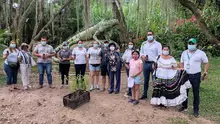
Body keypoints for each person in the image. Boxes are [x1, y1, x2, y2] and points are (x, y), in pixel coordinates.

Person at [178, 38, 209, 117]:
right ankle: (184, 106)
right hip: (186, 75)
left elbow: (206, 62)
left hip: (195, 75)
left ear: (196, 44)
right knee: (184, 91)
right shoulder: (184, 53)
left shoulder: (201, 53)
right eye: (189, 43)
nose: (191, 45)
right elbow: (181, 63)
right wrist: (182, 71)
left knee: (196, 92)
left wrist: (205, 71)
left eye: (192, 43)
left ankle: (195, 110)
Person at [140, 30, 162, 99]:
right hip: (146, 64)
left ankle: (155, 95)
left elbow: (160, 55)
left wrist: (155, 62)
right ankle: (145, 94)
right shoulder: (143, 43)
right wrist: (142, 56)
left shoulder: (158, 44)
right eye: (148, 35)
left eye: (150, 34)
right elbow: (141, 52)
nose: (149, 36)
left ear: (153, 35)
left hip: (154, 64)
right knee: (145, 80)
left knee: (154, 80)